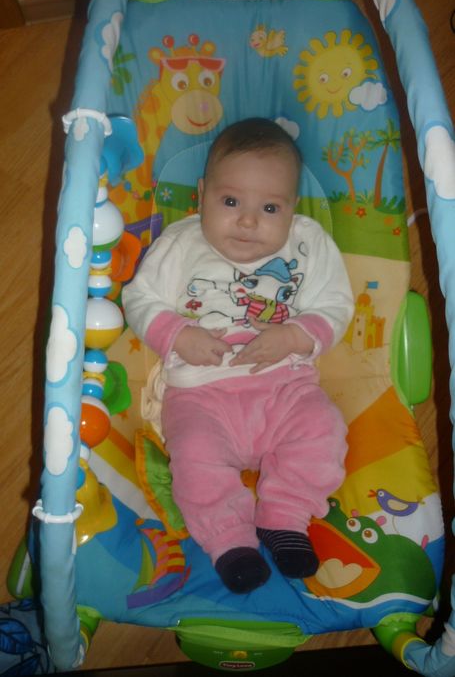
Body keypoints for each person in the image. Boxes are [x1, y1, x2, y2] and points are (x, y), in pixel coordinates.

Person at [123, 117, 354, 594]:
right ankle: (230, 540)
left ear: (292, 209)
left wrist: (294, 336)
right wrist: (178, 335)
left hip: (285, 388)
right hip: (202, 394)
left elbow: (336, 305)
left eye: (270, 207)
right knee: (194, 457)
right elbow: (140, 299)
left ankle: (285, 518)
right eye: (230, 202)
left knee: (324, 430)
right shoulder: (181, 243)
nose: (248, 221)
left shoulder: (309, 243)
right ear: (202, 195)